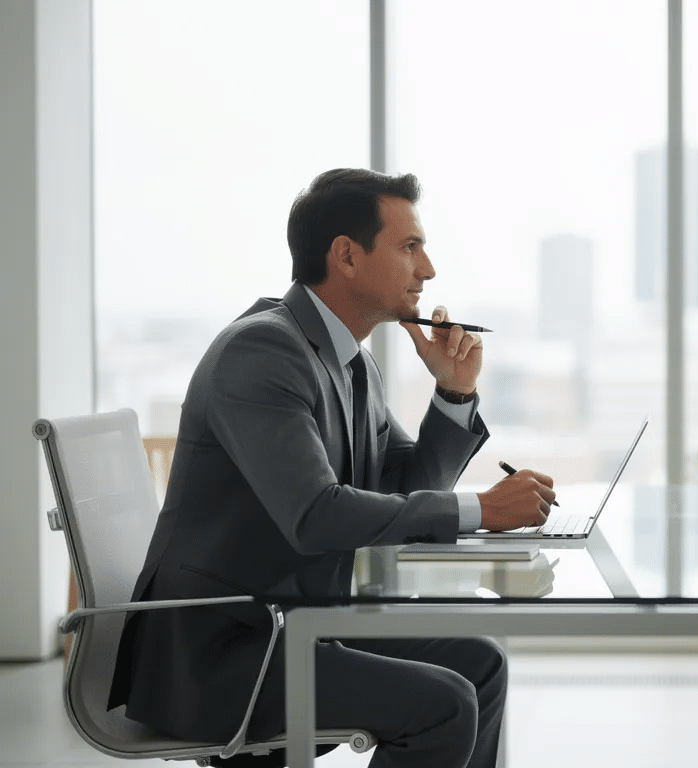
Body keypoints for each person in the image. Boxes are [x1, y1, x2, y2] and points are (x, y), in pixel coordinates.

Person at [108, 168, 555, 768]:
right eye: (409, 247)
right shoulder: (262, 351)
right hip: (225, 651)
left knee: (481, 663)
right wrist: (483, 509)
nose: (427, 270)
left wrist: (452, 394)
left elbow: (402, 488)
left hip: (296, 622)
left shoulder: (350, 362)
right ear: (346, 256)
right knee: (443, 703)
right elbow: (316, 516)